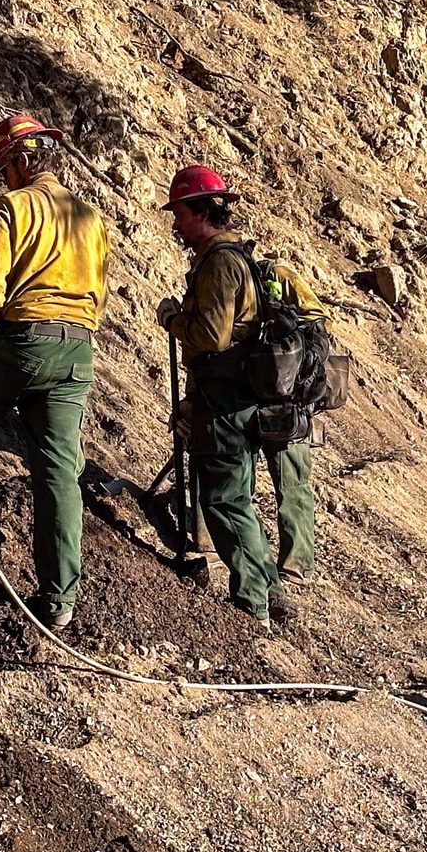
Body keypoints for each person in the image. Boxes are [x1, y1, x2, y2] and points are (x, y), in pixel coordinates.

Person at [0, 113, 110, 631]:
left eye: (2, 166)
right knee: (58, 470)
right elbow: (98, 292)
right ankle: (59, 600)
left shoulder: (13, 206)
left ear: (19, 159)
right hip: (78, 348)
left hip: (24, 338)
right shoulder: (90, 217)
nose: (3, 177)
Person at [156, 165, 326, 631]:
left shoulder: (219, 263)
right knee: (237, 499)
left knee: (226, 501)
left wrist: (171, 319)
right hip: (239, 397)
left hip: (224, 401)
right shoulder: (239, 259)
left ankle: (252, 600)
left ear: (201, 213)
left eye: (180, 214)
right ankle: (268, 587)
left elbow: (210, 336)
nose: (175, 224)